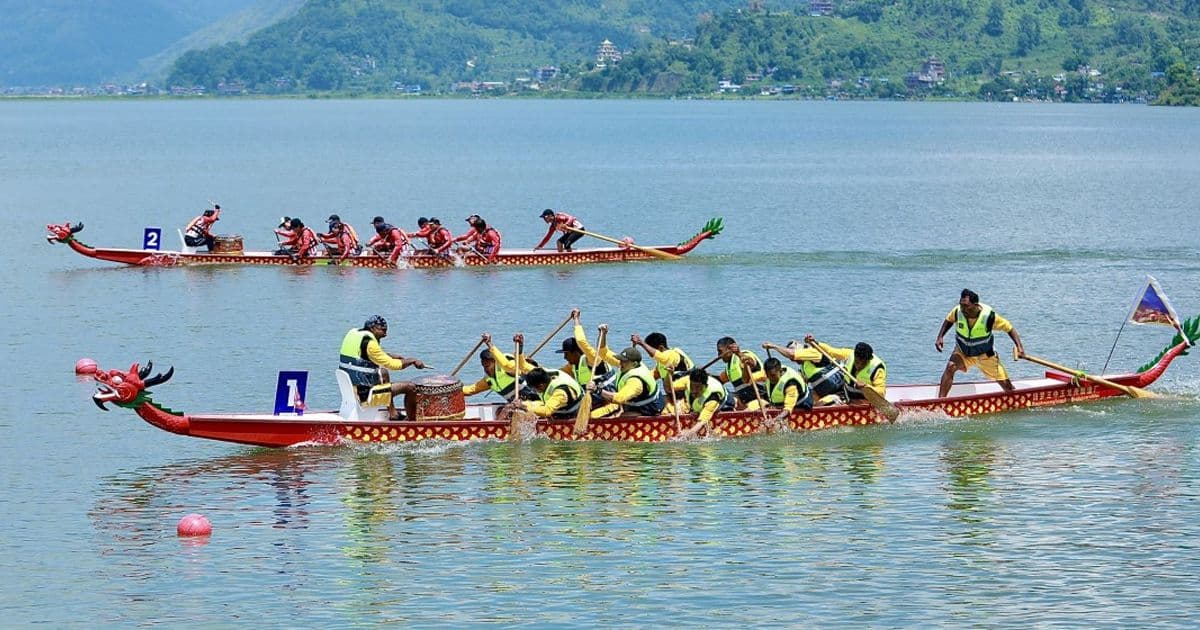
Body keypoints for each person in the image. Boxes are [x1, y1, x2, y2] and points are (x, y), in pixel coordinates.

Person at [936, 288, 1025, 398]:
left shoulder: (989, 317)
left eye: (966, 306)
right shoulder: (957, 311)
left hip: (985, 355)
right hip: (963, 352)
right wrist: (940, 337)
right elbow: (949, 320)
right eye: (961, 305)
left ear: (975, 305)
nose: (962, 309)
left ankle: (1015, 400)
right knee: (950, 367)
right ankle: (940, 402)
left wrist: (1019, 346)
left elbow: (1009, 328)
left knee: (1006, 386)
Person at [338, 315, 427, 421]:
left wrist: (392, 356)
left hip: (352, 387)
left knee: (383, 373)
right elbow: (393, 365)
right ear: (372, 328)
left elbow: (366, 355)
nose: (385, 334)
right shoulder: (370, 344)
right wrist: (412, 361)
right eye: (383, 330)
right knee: (411, 387)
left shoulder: (353, 333)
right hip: (365, 394)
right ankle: (412, 424)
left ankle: (393, 414)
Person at [762, 340, 848, 406]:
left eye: (794, 358)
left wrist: (774, 346)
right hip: (824, 391)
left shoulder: (812, 352)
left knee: (818, 404)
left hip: (839, 388)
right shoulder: (804, 367)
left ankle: (836, 399)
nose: (792, 360)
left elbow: (792, 354)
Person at [804, 335, 886, 402]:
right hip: (849, 391)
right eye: (858, 362)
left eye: (863, 362)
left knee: (832, 400)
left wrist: (866, 386)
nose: (859, 365)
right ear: (855, 356)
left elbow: (881, 392)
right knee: (816, 395)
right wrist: (815, 343)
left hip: (865, 397)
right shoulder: (849, 353)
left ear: (868, 360)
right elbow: (831, 351)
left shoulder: (877, 369)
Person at [558, 310, 618, 400]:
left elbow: (581, 341)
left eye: (567, 354)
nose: (564, 357)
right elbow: (555, 374)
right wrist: (532, 366)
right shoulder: (573, 366)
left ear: (575, 352)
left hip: (609, 397)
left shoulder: (592, 359)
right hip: (594, 398)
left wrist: (576, 319)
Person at [462, 333, 539, 402]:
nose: (486, 369)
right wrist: (453, 389)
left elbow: (507, 364)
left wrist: (489, 343)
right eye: (483, 365)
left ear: (495, 362)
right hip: (515, 404)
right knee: (499, 411)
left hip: (534, 400)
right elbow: (471, 390)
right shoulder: (488, 380)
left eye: (488, 365)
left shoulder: (509, 369)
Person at [591, 347, 665, 418]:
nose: (620, 362)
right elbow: (604, 353)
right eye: (620, 360)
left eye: (624, 361)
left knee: (618, 417)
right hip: (639, 401)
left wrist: (597, 390)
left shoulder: (635, 382)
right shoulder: (630, 365)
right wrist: (603, 335)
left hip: (650, 408)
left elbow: (619, 399)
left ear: (634, 364)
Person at [676, 368, 735, 439]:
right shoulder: (687, 380)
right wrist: (669, 374)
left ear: (705, 386)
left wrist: (689, 433)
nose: (694, 391)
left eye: (698, 387)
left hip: (725, 403)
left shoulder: (713, 398)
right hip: (701, 403)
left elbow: (702, 421)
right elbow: (669, 387)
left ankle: (738, 403)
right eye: (692, 387)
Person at [716, 336, 766, 408]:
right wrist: (704, 375)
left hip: (760, 400)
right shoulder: (729, 367)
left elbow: (751, 363)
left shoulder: (744, 354)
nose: (719, 356)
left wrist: (739, 353)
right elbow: (719, 380)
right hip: (746, 402)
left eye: (720, 351)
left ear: (729, 349)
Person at [520, 367, 584, 419]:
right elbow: (526, 366)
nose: (534, 391)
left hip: (571, 414)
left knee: (527, 409)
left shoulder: (560, 393)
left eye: (534, 389)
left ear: (541, 386)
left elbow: (547, 411)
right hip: (559, 406)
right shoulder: (545, 374)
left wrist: (524, 407)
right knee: (527, 403)